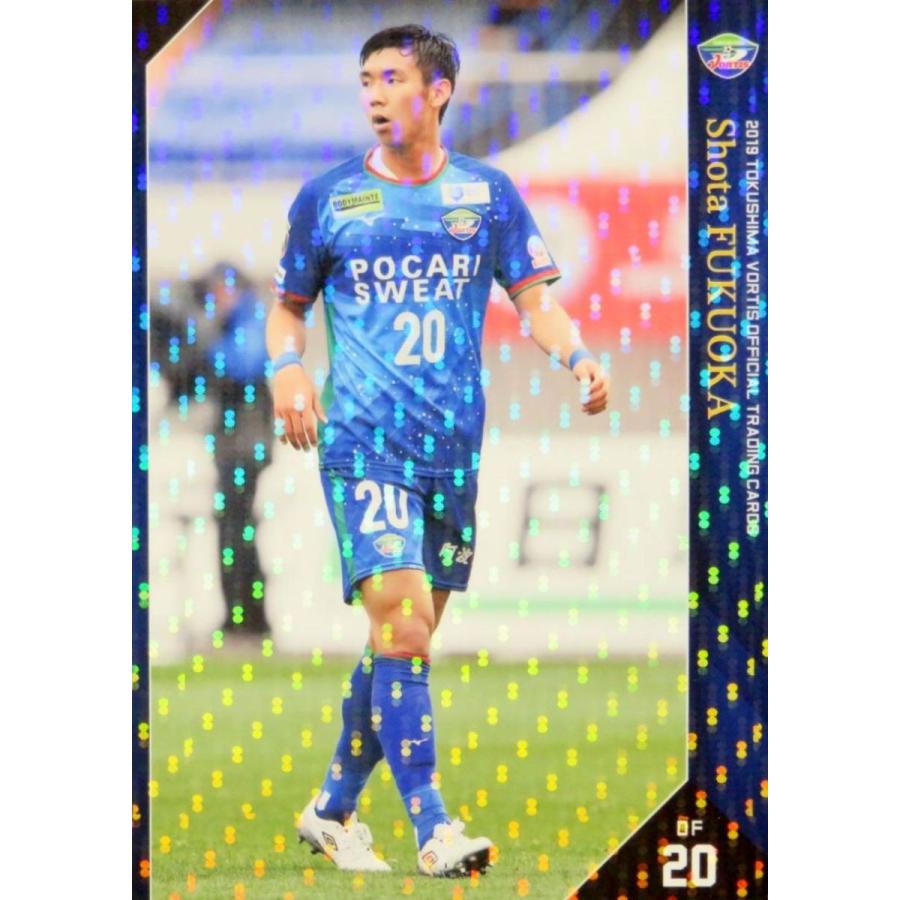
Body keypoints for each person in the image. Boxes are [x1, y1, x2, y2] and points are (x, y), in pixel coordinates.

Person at [266, 24, 608, 877]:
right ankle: (433, 828)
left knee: (403, 642)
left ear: (439, 89)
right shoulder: (328, 199)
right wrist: (287, 373)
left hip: (451, 451)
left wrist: (577, 355)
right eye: (366, 81)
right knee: (404, 626)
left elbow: (536, 301)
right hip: (363, 444)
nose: (375, 96)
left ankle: (331, 811)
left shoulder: (487, 195)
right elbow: (288, 310)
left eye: (391, 78)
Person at [152, 263, 273, 634]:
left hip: (247, 446)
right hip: (233, 446)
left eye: (219, 291)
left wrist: (205, 334)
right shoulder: (231, 323)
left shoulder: (250, 318)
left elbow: (244, 364)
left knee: (237, 528)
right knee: (233, 527)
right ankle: (242, 617)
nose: (214, 299)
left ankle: (247, 618)